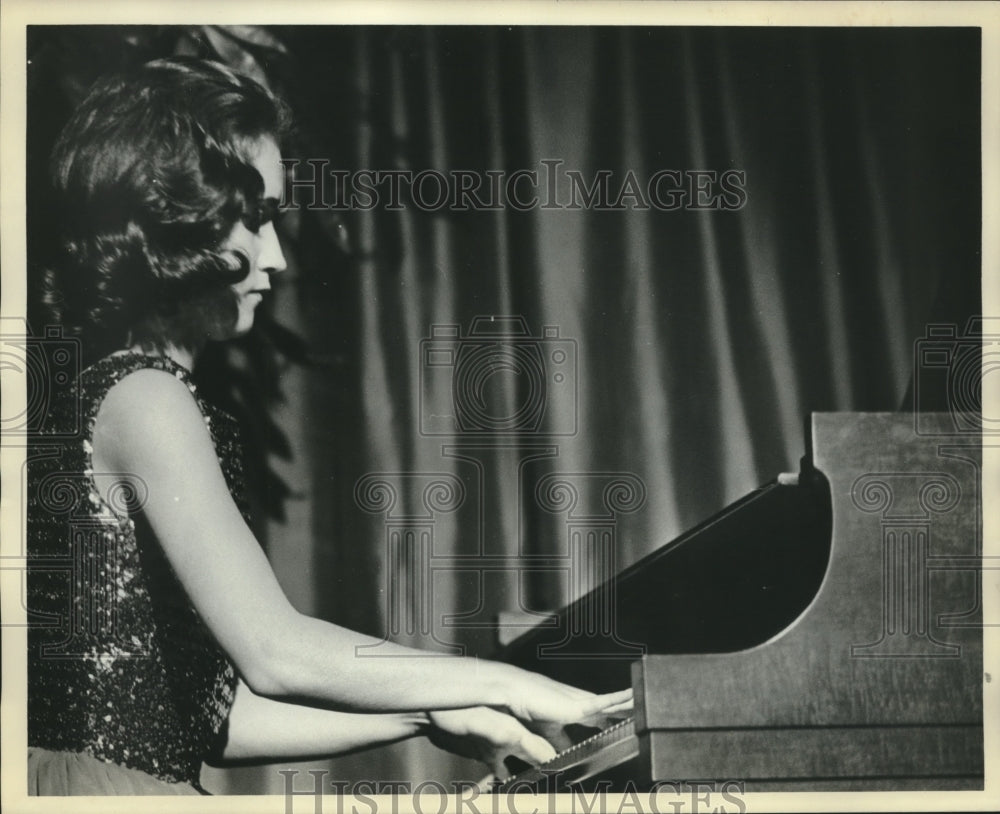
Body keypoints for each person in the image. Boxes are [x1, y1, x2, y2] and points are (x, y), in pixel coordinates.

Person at [26, 57, 631, 796]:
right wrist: (502, 680)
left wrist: (434, 714)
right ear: (176, 221)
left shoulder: (114, 391)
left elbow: (215, 723)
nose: (276, 258)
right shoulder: (146, 397)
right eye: (256, 220)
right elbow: (274, 651)